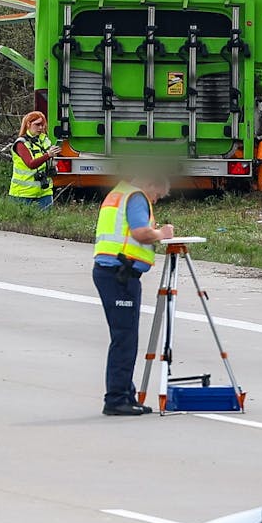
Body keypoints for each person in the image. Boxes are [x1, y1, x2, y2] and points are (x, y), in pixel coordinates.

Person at [92, 173, 174, 417]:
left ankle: (125, 393)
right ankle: (116, 399)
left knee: (124, 336)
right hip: (119, 274)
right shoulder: (137, 197)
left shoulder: (120, 192)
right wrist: (162, 234)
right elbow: (140, 232)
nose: (156, 201)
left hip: (113, 271)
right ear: (151, 183)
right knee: (124, 338)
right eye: (158, 195)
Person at [9, 111, 55, 209]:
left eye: (42, 125)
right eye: (37, 124)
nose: (41, 128)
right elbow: (30, 164)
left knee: (46, 222)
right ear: (28, 124)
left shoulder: (44, 141)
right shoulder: (21, 143)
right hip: (22, 193)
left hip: (44, 190)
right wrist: (48, 155)